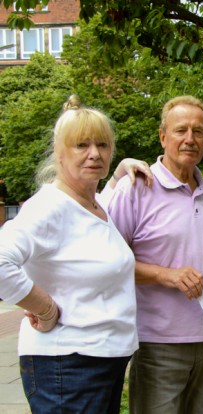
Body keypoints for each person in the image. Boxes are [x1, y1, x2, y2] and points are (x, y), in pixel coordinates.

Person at [0, 95, 152, 413]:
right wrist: (45, 310)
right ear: (59, 152)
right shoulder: (49, 207)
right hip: (67, 367)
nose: (94, 154)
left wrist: (119, 175)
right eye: (81, 145)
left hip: (98, 365)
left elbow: (87, 229)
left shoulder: (92, 205)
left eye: (103, 145)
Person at [107, 95, 203, 414]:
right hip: (159, 341)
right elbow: (109, 263)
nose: (190, 139)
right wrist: (167, 275)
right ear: (162, 136)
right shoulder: (136, 188)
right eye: (181, 130)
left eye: (198, 131)